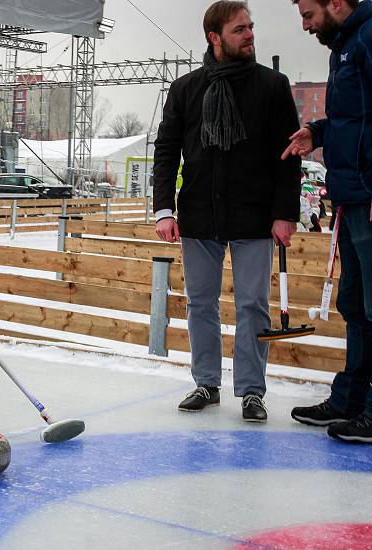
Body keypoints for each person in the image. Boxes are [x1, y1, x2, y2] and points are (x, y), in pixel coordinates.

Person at [153, 1, 301, 422]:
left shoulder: (273, 86)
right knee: (201, 303)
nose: (250, 35)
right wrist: (164, 208)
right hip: (200, 214)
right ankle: (206, 383)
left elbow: (288, 156)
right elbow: (166, 152)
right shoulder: (186, 89)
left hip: (255, 216)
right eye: (240, 29)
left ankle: (252, 390)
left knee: (253, 305)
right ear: (215, 38)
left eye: (251, 27)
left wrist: (285, 212)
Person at [286, 0, 372, 444]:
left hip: (368, 195)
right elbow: (352, 118)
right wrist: (317, 133)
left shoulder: (368, 37)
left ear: (336, 3)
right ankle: (350, 402)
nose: (305, 26)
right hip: (353, 196)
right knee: (355, 306)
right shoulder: (344, 45)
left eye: (308, 15)